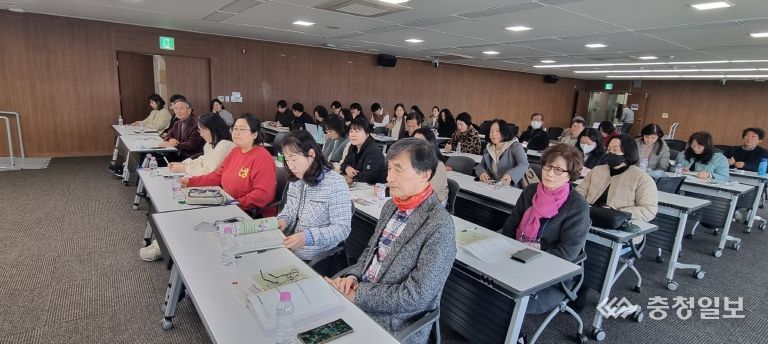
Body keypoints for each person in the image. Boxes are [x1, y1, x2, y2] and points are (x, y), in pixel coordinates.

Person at [325, 138, 456, 344]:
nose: (389, 177)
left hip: (394, 322)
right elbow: (371, 253)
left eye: (398, 170)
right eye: (389, 168)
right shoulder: (391, 206)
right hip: (360, 297)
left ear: (425, 175)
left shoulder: (439, 226)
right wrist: (353, 277)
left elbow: (416, 296)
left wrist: (359, 295)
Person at [500, 143, 590, 314]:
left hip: (551, 273)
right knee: (486, 283)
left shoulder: (577, 206)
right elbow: (511, 225)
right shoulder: (530, 191)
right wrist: (510, 252)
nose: (549, 173)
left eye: (558, 170)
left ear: (570, 175)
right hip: (514, 256)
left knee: (508, 297)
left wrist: (526, 259)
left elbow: (568, 252)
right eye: (548, 166)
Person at [277, 130, 351, 274]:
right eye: (286, 159)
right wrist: (283, 220)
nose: (290, 165)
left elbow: (342, 229)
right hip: (289, 248)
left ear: (311, 154)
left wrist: (308, 237)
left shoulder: (335, 183)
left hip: (315, 259)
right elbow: (290, 209)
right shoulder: (297, 179)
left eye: (293, 159)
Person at [182, 114, 277, 216]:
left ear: (254, 134)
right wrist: (190, 182)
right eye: (235, 128)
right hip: (228, 202)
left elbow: (261, 196)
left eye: (242, 129)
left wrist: (233, 203)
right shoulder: (235, 151)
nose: (236, 132)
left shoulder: (262, 158)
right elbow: (218, 175)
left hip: (249, 212)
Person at [577, 135, 659, 223]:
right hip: (587, 218)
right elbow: (580, 191)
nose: (610, 153)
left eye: (615, 150)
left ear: (628, 152)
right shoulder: (597, 171)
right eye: (608, 149)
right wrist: (580, 205)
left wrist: (618, 213)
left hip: (620, 225)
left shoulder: (642, 179)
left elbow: (648, 210)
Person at [168, 113, 234, 176]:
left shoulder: (225, 145)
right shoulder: (209, 145)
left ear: (214, 130)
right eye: (200, 131)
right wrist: (182, 164)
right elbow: (203, 161)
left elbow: (209, 171)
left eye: (203, 131)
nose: (201, 135)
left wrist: (185, 169)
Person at [474, 119, 529, 186]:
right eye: (491, 131)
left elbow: (524, 164)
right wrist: (482, 173)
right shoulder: (489, 148)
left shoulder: (515, 146)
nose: (493, 134)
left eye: (498, 131)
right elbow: (481, 165)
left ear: (504, 132)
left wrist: (510, 175)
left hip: (510, 187)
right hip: (491, 185)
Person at [340, 116, 387, 185]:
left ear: (367, 134)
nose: (353, 135)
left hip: (374, 188)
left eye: (357, 131)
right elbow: (344, 164)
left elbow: (367, 177)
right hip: (359, 186)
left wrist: (350, 176)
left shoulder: (373, 150)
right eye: (351, 131)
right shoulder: (353, 146)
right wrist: (348, 168)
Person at [412, 127, 449, 205]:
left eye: (420, 142)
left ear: (430, 144)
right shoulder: (412, 160)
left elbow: (430, 194)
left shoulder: (438, 165)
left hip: (434, 205)